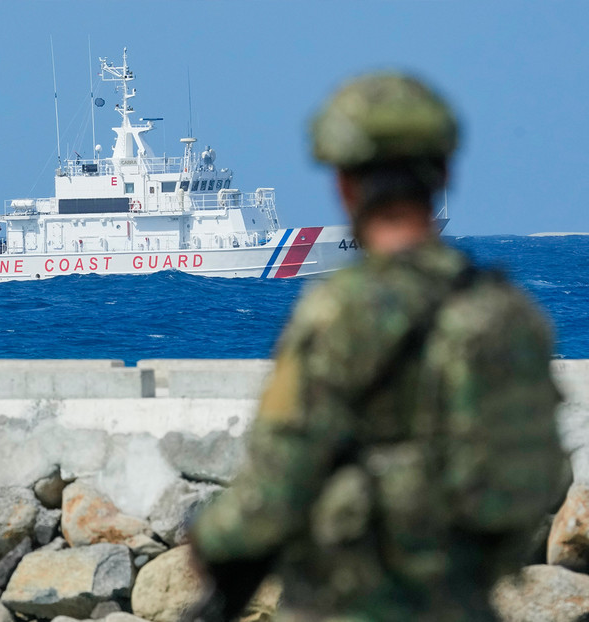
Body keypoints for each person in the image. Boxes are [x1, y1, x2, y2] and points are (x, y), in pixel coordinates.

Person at [189, 72, 568, 621]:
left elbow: (277, 481)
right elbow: (539, 476)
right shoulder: (513, 316)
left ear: (343, 184)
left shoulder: (338, 311)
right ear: (443, 174)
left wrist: (209, 542)